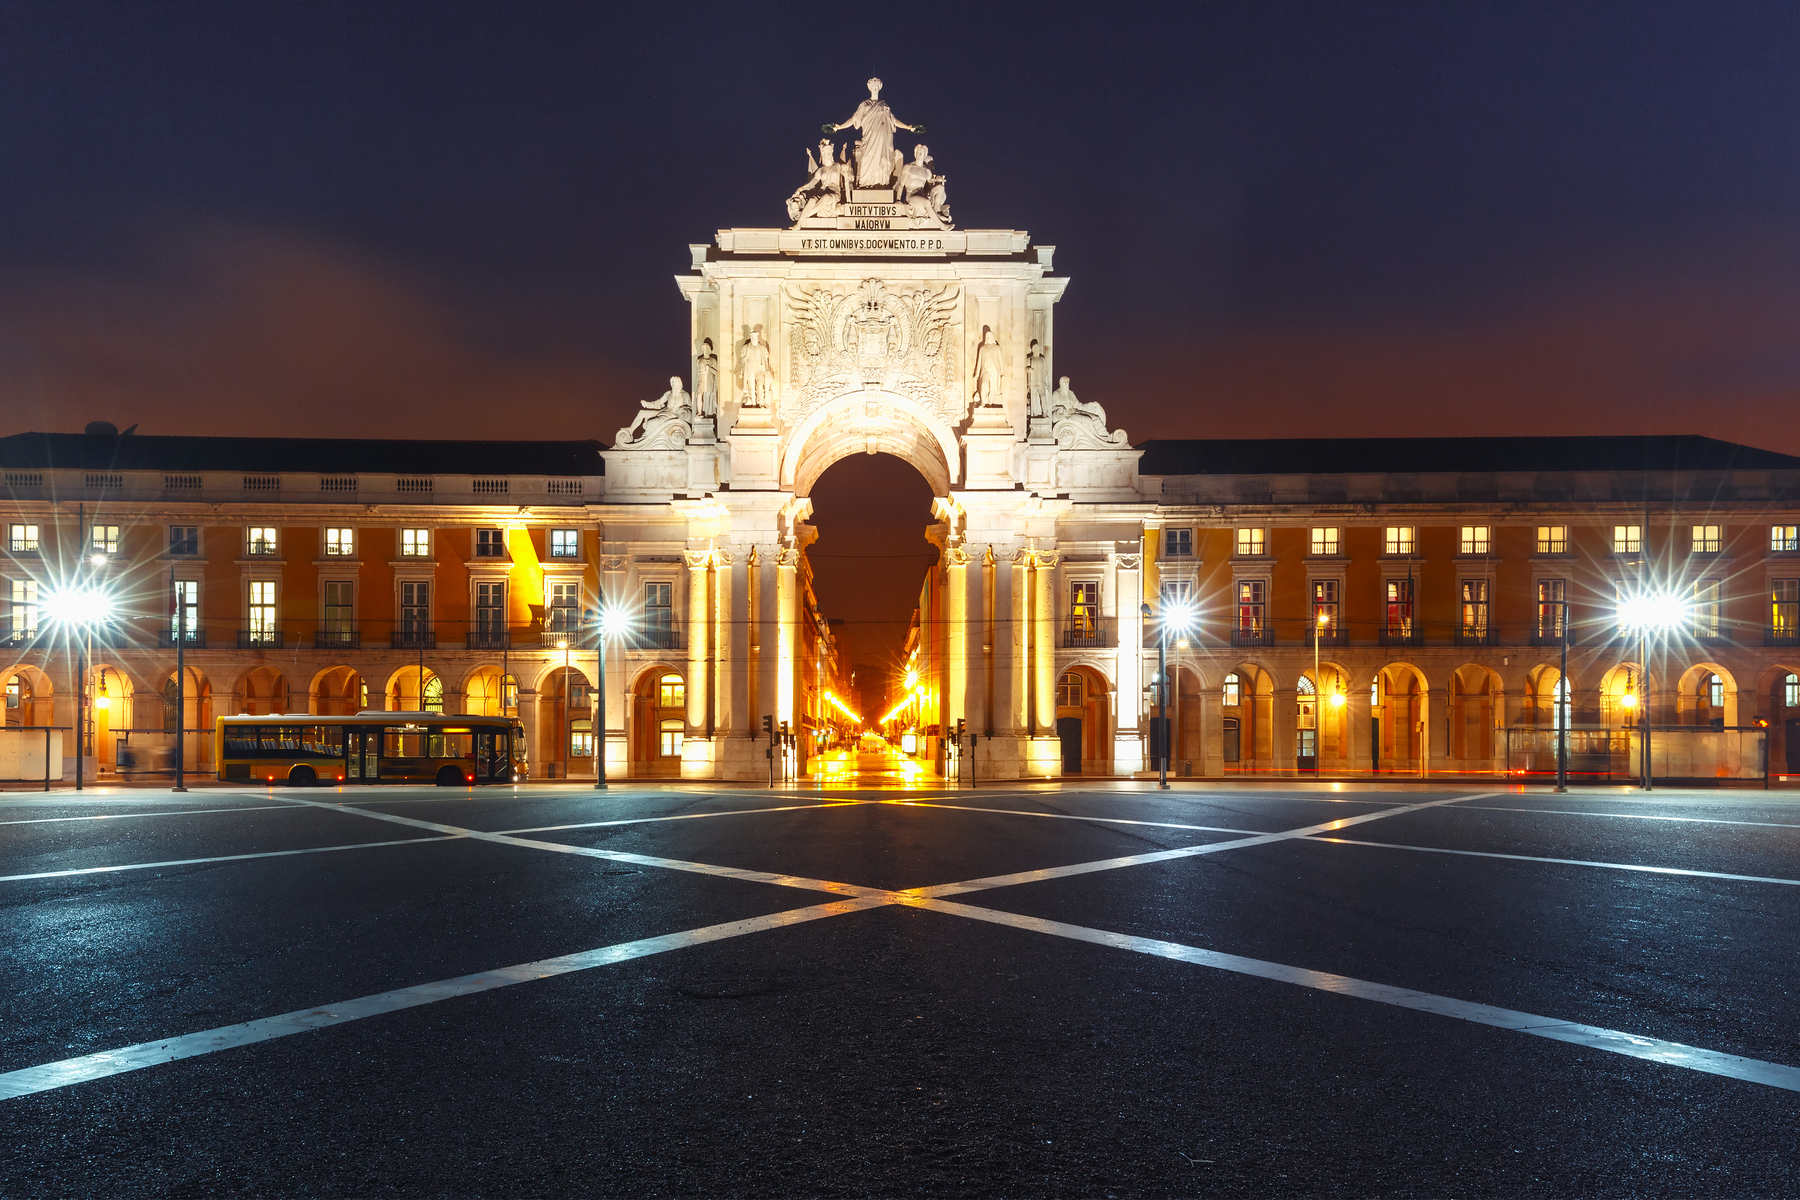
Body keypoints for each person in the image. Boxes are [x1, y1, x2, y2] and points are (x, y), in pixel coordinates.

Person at [828, 77, 919, 190]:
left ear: (880, 88)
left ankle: (882, 183)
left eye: (877, 86)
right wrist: (840, 127)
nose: (875, 88)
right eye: (873, 86)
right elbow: (854, 119)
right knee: (867, 158)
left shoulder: (884, 105)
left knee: (882, 159)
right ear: (869, 87)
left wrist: (908, 127)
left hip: (883, 137)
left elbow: (893, 121)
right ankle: (865, 183)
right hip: (870, 137)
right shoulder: (864, 104)